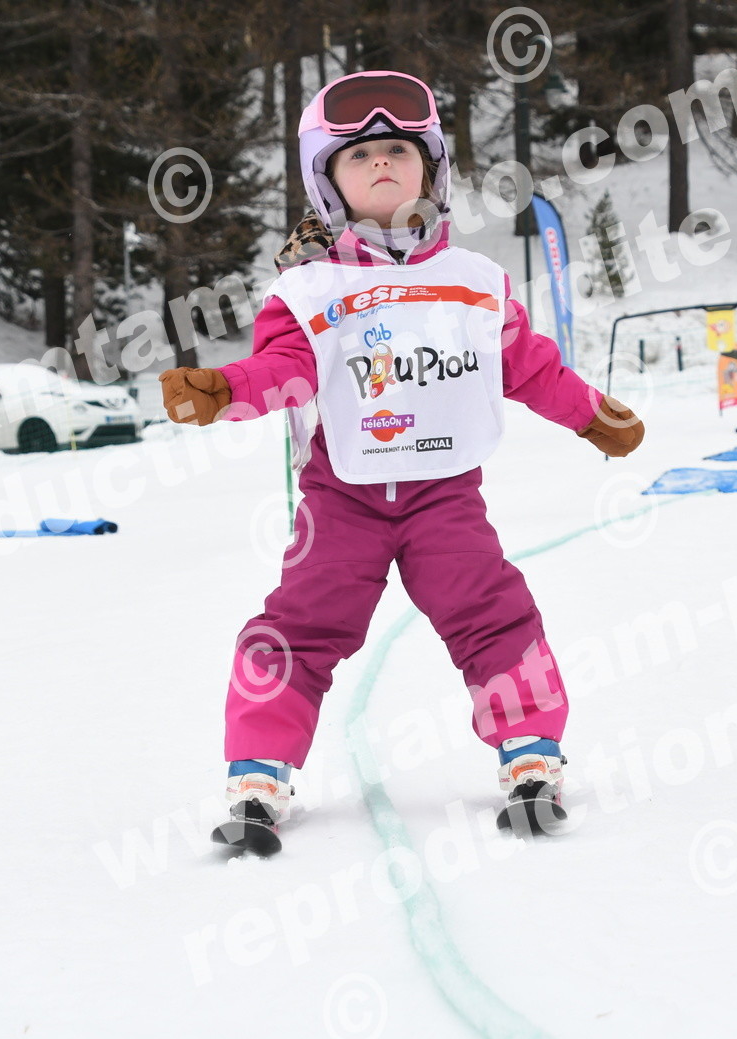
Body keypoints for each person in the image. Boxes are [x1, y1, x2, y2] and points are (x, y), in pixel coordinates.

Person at [159, 70, 644, 846]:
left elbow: (529, 365)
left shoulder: (472, 283)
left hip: (443, 496)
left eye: (398, 150)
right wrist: (224, 390)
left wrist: (591, 414)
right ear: (329, 183)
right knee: (298, 624)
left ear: (432, 169)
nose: (381, 162)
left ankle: (530, 751)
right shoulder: (309, 290)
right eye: (359, 155)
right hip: (341, 501)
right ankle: (258, 768)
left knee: (493, 611)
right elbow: (285, 369)